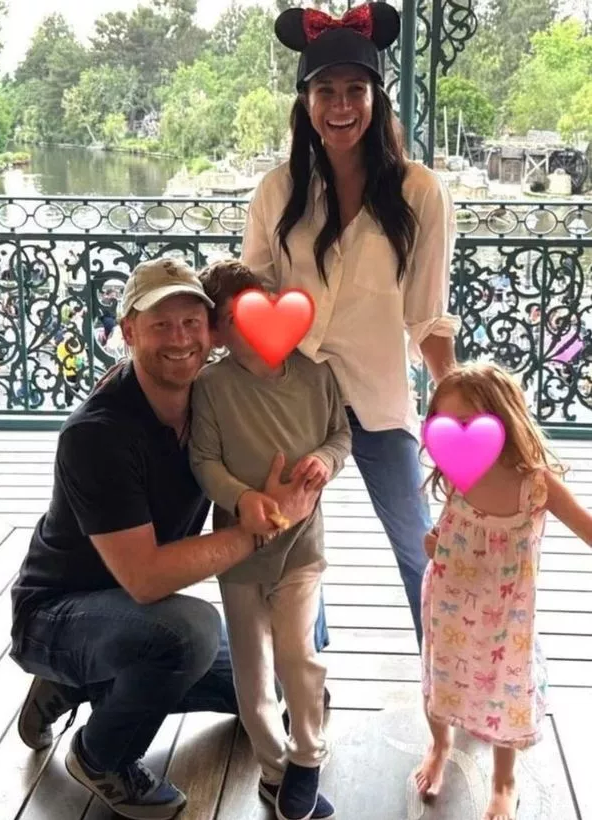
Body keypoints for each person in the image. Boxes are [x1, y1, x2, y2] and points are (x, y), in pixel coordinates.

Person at [9, 257, 321, 820]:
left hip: (132, 613)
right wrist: (265, 527)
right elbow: (147, 578)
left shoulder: (211, 399)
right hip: (59, 611)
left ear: (211, 332)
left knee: (270, 681)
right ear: (128, 331)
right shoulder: (97, 435)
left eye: (191, 323)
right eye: (160, 325)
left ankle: (72, 685)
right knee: (187, 633)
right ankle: (101, 756)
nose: (179, 339)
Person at [242, 2, 461, 650]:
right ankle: (303, 672)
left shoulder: (420, 192)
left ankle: (448, 675)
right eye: (326, 91)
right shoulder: (276, 192)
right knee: (289, 544)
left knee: (417, 541)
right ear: (305, 103)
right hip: (292, 396)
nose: (341, 106)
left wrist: (456, 394)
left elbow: (426, 312)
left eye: (355, 90)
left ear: (375, 99)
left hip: (376, 396)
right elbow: (250, 297)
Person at [190, 261, 351, 820]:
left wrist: (325, 459)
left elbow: (340, 434)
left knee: (296, 653)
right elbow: (204, 459)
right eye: (237, 317)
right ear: (218, 332)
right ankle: (273, 768)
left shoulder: (315, 374)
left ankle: (307, 754)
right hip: (239, 547)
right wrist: (241, 498)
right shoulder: (212, 387)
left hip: (301, 543)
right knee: (252, 668)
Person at [414, 362, 592, 820]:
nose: (454, 437)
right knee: (441, 679)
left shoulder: (536, 484)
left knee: (503, 696)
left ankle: (503, 781)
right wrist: (436, 543)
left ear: (503, 420)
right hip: (448, 605)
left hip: (506, 620)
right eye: (443, 424)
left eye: (466, 423)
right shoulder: (457, 470)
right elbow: (454, 530)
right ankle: (440, 743)